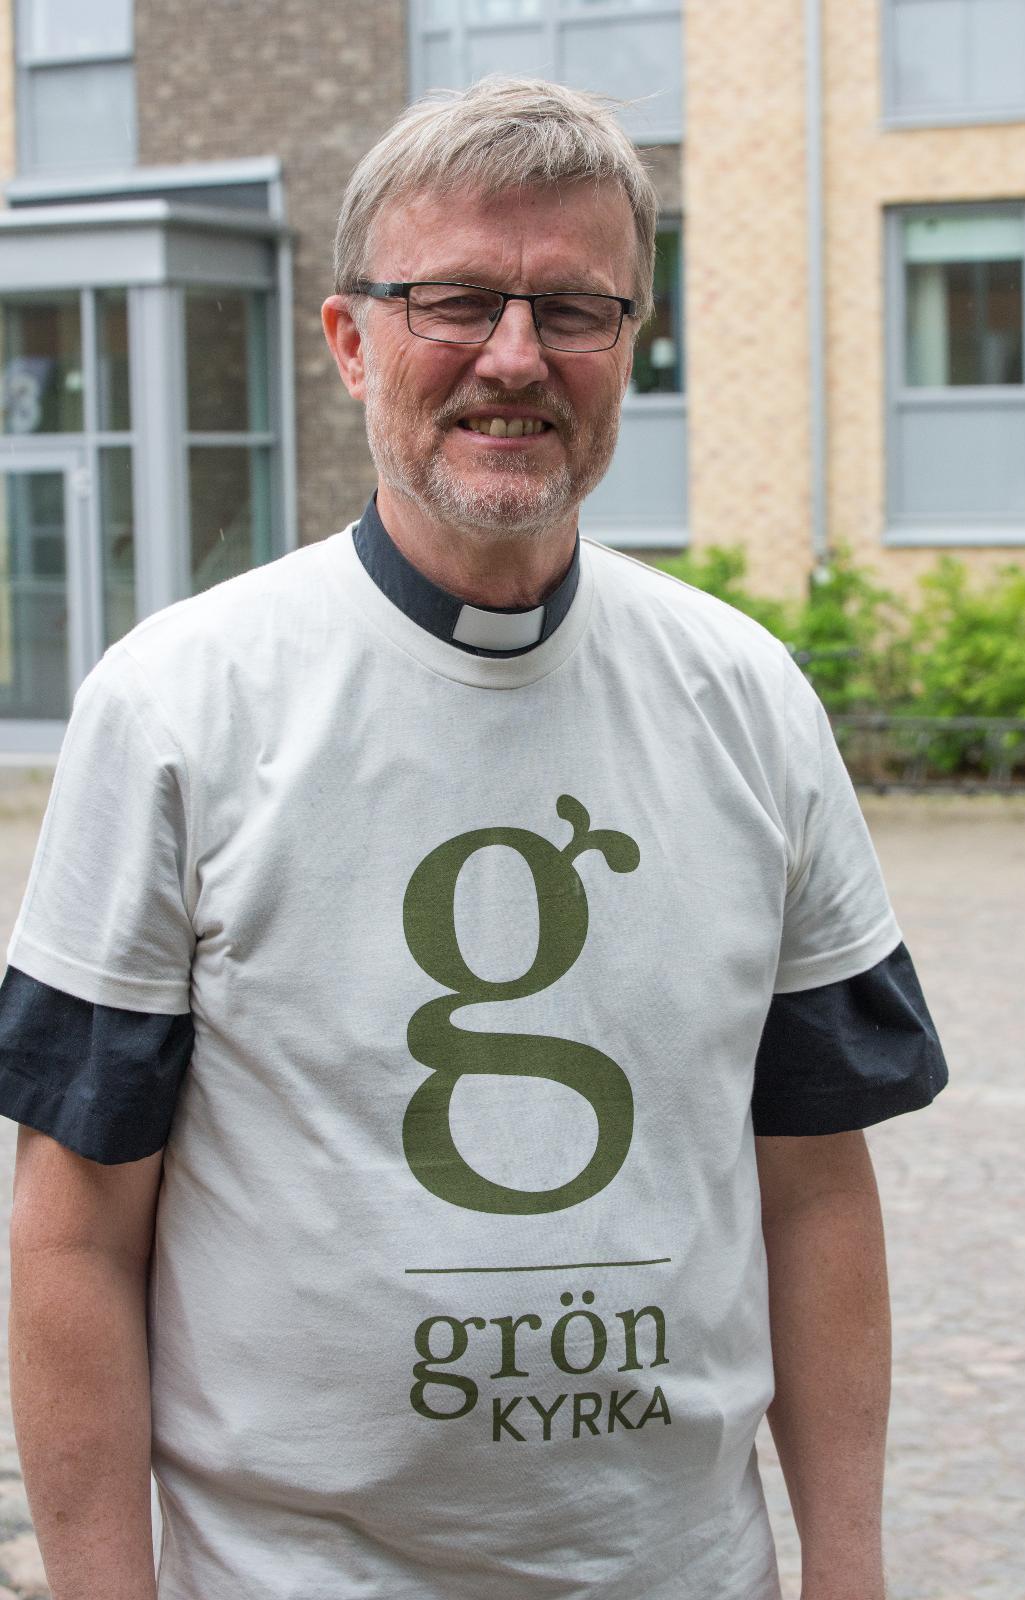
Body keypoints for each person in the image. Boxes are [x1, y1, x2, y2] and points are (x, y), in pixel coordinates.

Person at [0, 76, 947, 1600]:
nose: (516, 357)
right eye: (454, 300)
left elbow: (817, 1188)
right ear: (348, 339)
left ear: (629, 345)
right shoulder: (177, 706)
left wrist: (849, 1567)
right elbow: (71, 1232)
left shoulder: (746, 697)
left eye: (571, 307)